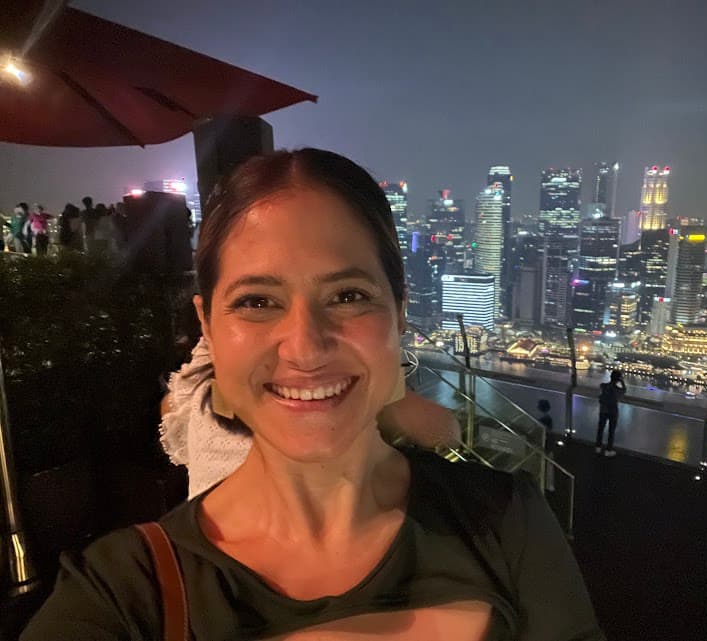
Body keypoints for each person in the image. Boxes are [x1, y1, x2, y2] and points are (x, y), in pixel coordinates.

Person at [23, 149, 603, 641]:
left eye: (348, 296)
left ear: (399, 315)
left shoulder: (508, 524)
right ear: (208, 327)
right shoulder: (125, 595)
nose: (304, 346)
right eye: (257, 301)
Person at [159, 335, 463, 498]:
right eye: (259, 303)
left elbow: (171, 411)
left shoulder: (198, 389)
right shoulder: (347, 384)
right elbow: (445, 430)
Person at [596, 369, 626, 457]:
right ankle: (608, 450)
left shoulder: (603, 386)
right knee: (611, 431)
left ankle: (598, 447)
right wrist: (622, 381)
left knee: (600, 429)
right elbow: (624, 390)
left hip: (603, 410)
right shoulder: (618, 390)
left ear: (610, 377)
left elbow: (601, 389)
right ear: (618, 379)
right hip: (613, 411)